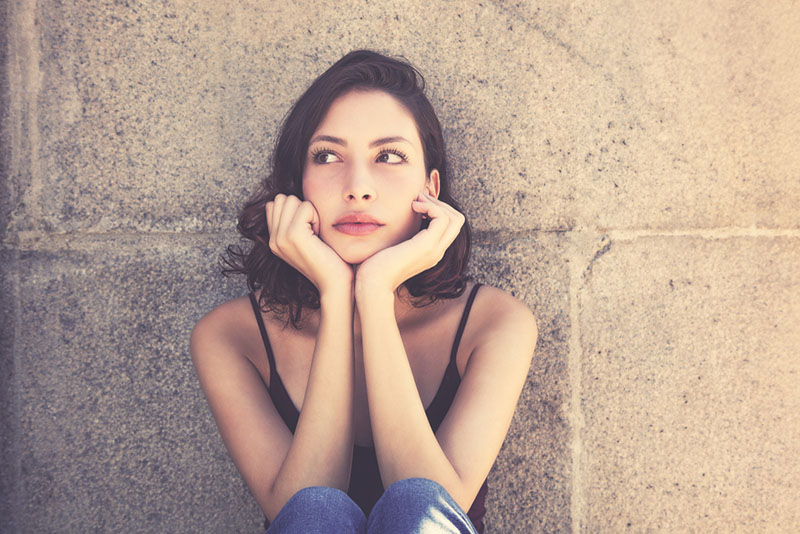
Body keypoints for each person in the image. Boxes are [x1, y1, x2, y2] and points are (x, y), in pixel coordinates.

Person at [190, 50, 538, 534]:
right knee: (315, 511)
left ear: (430, 190)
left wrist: (373, 293)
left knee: (415, 502)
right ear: (296, 187)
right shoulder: (229, 336)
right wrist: (337, 293)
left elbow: (435, 511)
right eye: (328, 156)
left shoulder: (495, 324)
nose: (358, 187)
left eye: (388, 156)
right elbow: (297, 515)